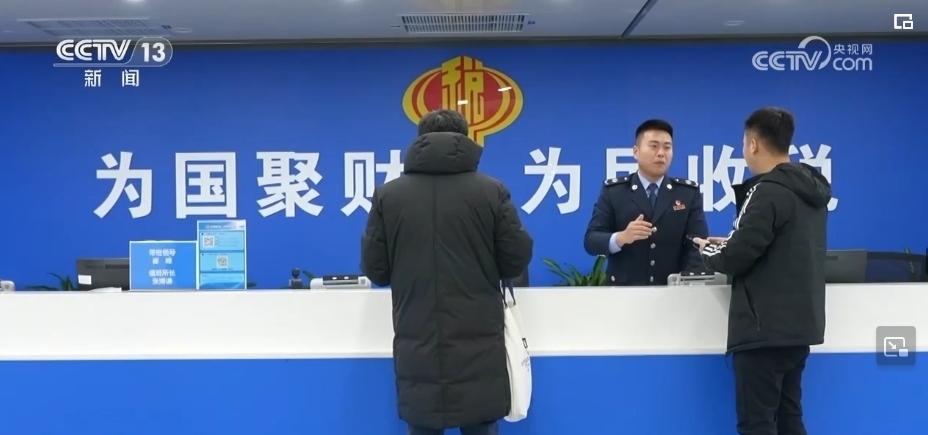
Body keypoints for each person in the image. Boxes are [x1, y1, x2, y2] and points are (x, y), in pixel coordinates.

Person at [360, 109, 534, 435]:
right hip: (480, 339)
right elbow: (516, 260)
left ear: (420, 141)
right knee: (480, 425)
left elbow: (377, 271)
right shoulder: (492, 192)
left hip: (417, 337)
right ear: (465, 138)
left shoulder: (388, 196)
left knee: (422, 425)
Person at [693, 107, 831, 435]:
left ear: (753, 144)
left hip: (763, 331)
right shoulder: (810, 191)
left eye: (744, 143)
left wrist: (707, 250)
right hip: (799, 328)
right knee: (789, 418)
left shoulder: (767, 190)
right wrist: (734, 241)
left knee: (757, 424)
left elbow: (734, 258)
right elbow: (774, 244)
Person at [583, 119, 708, 286]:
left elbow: (697, 244)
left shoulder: (687, 193)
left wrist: (688, 285)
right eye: (654, 146)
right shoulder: (614, 192)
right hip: (624, 292)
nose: (661, 153)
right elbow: (591, 241)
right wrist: (621, 237)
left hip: (672, 291)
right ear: (636, 151)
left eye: (667, 147)